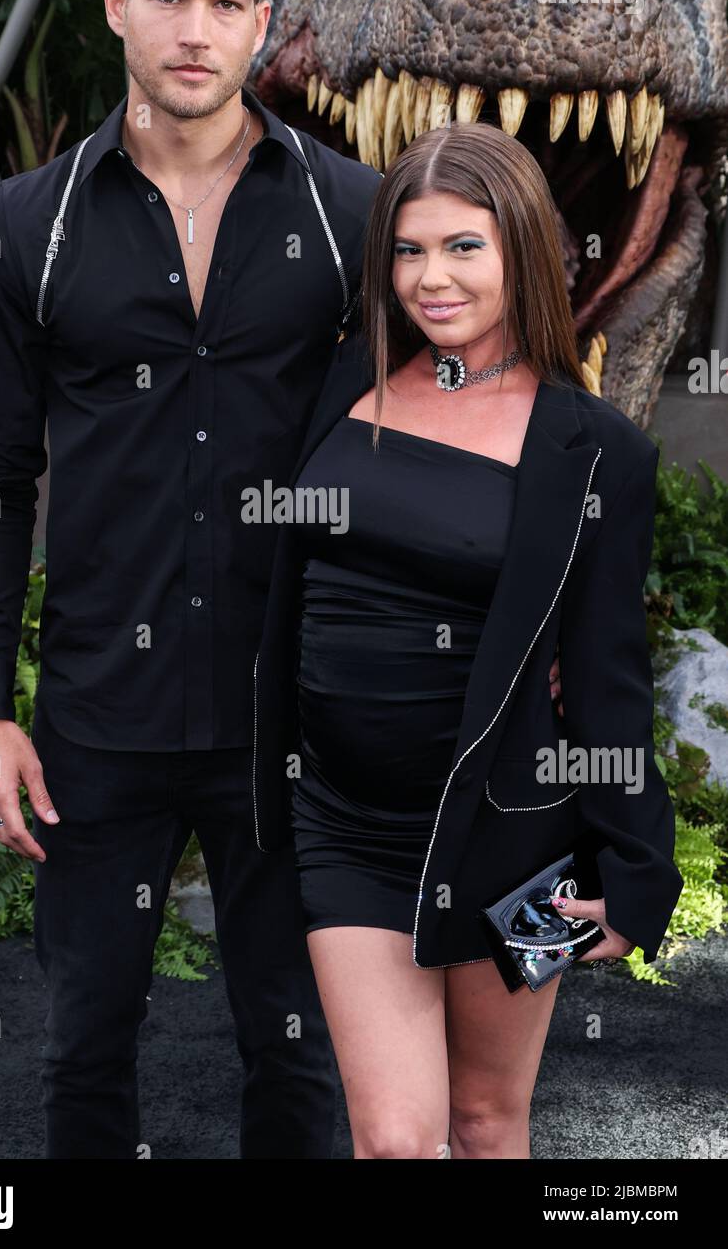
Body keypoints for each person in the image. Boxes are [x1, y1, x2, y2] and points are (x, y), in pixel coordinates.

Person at [0, 0, 381, 1160]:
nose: (197, 31)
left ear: (263, 21)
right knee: (86, 1050)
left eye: (227, 2)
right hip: (99, 719)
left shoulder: (348, 213)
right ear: (116, 5)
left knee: (298, 1058)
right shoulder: (32, 224)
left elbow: (408, 457)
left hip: (287, 712)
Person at [251, 120, 685, 1160]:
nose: (428, 277)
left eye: (461, 247)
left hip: (514, 839)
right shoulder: (341, 378)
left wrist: (634, 866)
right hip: (344, 821)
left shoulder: (592, 451)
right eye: (406, 249)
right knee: (396, 1139)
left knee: (487, 1124)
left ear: (521, 252)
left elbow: (604, 679)